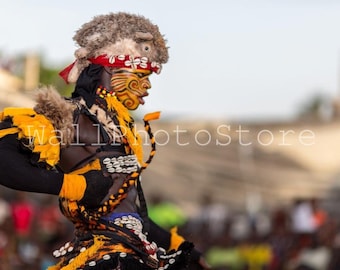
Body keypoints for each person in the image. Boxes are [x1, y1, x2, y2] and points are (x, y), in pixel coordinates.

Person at [0, 12, 210, 269]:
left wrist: (181, 247)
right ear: (111, 70)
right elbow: (4, 157)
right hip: (102, 256)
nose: (147, 87)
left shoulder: (122, 131)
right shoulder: (69, 115)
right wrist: (74, 186)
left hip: (134, 251)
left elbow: (132, 215)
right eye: (141, 76)